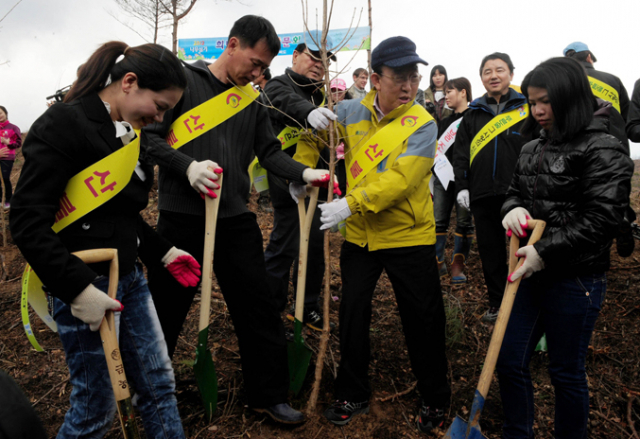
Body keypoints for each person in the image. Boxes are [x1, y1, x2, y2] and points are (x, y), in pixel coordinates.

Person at [144, 15, 334, 425]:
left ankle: (267, 395)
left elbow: (269, 152)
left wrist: (301, 173)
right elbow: (149, 139)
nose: (257, 72)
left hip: (233, 217)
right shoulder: (183, 82)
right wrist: (186, 165)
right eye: (254, 62)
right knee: (166, 309)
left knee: (259, 305)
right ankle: (151, 394)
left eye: (264, 68)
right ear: (231, 45)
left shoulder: (252, 98)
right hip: (181, 217)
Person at [10, 41, 196, 439]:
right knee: (95, 406)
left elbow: (121, 214)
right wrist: (77, 291)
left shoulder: (131, 135)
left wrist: (162, 251)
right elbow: (27, 223)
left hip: (129, 278)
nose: (159, 118)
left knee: (159, 384)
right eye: (159, 106)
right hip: (83, 285)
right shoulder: (63, 124)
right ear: (129, 82)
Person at [294, 36, 451, 433]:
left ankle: (435, 397)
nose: (408, 87)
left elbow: (403, 178)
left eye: (413, 78)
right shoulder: (347, 111)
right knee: (352, 314)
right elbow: (314, 142)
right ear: (376, 78)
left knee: (424, 319)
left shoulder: (423, 122)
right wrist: (299, 171)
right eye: (398, 78)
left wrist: (351, 203)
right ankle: (352, 391)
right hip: (361, 239)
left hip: (408, 236)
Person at [497, 57, 633, 439]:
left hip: (576, 278)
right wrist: (513, 209)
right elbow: (512, 193)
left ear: (570, 97)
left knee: (565, 371)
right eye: (531, 101)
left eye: (545, 101)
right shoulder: (531, 148)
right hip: (528, 273)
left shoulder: (604, 147)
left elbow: (602, 219)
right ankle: (516, 432)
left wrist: (545, 252)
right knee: (509, 360)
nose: (537, 110)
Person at [261, 32, 339, 330]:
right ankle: (271, 305)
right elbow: (282, 99)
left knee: (317, 245)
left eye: (325, 61)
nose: (319, 64)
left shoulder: (322, 95)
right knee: (286, 242)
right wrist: (308, 111)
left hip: (318, 179)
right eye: (313, 57)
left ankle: (306, 305)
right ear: (295, 57)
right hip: (287, 178)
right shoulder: (280, 84)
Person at [452, 52, 532, 323]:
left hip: (519, 194)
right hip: (483, 193)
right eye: (487, 71)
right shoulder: (473, 114)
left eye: (499, 70)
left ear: (511, 73)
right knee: (490, 252)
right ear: (481, 78)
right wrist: (462, 186)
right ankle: (498, 303)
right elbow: (461, 152)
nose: (493, 75)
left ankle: (525, 305)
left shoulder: (526, 108)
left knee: (524, 249)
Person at [433, 78, 474, 284]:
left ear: (463, 92)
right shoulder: (445, 122)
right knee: (438, 220)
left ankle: (458, 264)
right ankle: (438, 261)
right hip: (443, 178)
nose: (446, 96)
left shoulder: (474, 118)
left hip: (465, 179)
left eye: (449, 91)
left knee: (464, 222)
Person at [563, 41, 629, 121]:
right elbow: (627, 115)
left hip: (573, 132)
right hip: (612, 131)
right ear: (589, 57)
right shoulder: (614, 80)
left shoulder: (561, 82)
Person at [0, 106, 22, 209]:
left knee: (5, 178)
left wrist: (8, 143)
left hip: (7, 157)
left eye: (1, 113)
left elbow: (18, 143)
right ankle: (0, 200)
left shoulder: (13, 128)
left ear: (5, 113)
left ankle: (8, 200)